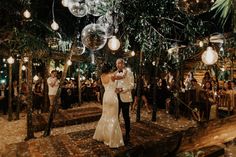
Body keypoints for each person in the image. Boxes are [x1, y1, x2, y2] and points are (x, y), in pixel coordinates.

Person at [93, 63, 124, 148]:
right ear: (110, 69)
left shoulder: (102, 76)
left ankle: (103, 136)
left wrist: (117, 70)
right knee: (113, 117)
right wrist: (121, 69)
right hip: (113, 97)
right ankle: (111, 139)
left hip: (106, 97)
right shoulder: (112, 75)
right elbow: (122, 77)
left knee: (105, 116)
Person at [115, 58, 134, 144]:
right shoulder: (115, 73)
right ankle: (116, 133)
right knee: (116, 116)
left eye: (119, 63)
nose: (117, 65)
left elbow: (132, 85)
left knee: (126, 117)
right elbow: (115, 84)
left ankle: (127, 133)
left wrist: (122, 89)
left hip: (126, 97)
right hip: (116, 97)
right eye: (116, 64)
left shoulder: (129, 73)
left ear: (123, 64)